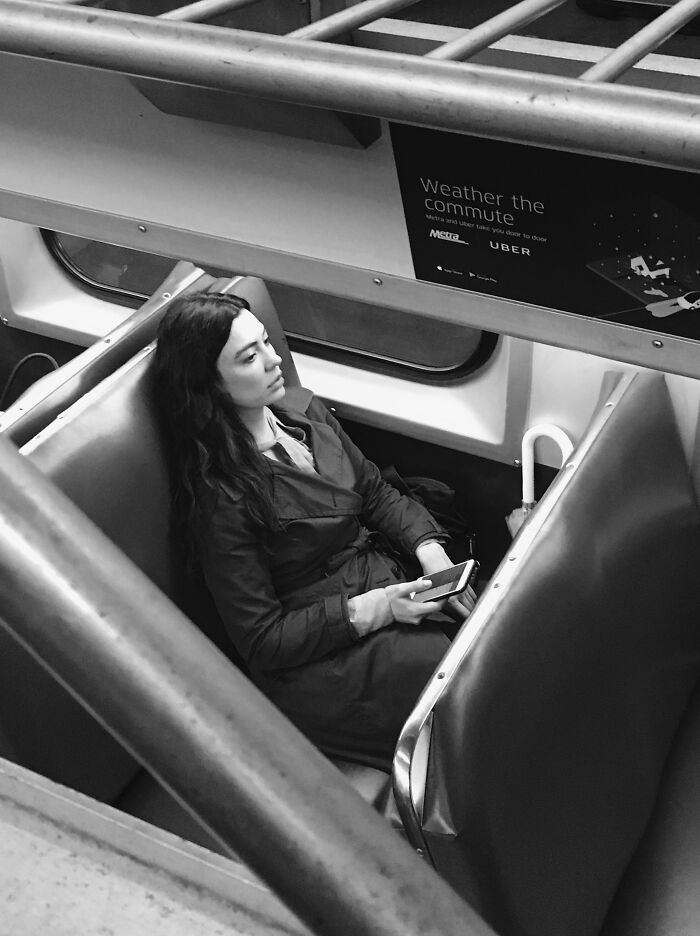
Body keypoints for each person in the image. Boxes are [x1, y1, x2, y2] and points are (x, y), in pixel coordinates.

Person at [153, 291, 475, 770]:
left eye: (266, 342)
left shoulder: (302, 410)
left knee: (484, 631)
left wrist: (428, 550)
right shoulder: (221, 496)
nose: (273, 359)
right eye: (249, 357)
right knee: (458, 688)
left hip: (384, 578)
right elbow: (263, 640)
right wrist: (380, 609)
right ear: (210, 385)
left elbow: (373, 492)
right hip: (322, 656)